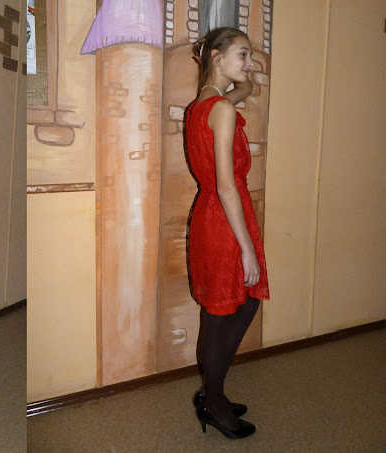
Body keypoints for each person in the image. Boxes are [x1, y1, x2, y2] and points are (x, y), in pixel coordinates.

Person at [184, 27, 270, 439]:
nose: (249, 63)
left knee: (235, 307)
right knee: (225, 315)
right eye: (243, 55)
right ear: (217, 58)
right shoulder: (221, 110)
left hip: (214, 215)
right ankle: (214, 402)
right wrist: (247, 249)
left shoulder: (203, 105)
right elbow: (226, 185)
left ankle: (210, 391)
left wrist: (245, 81)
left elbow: (241, 91)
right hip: (225, 217)